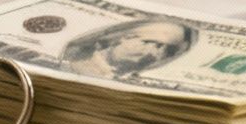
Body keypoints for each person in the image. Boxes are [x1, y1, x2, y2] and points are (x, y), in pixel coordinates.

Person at [59, 18, 196, 79]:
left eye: (168, 51)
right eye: (151, 43)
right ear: (125, 37)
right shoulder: (72, 63)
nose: (154, 54)